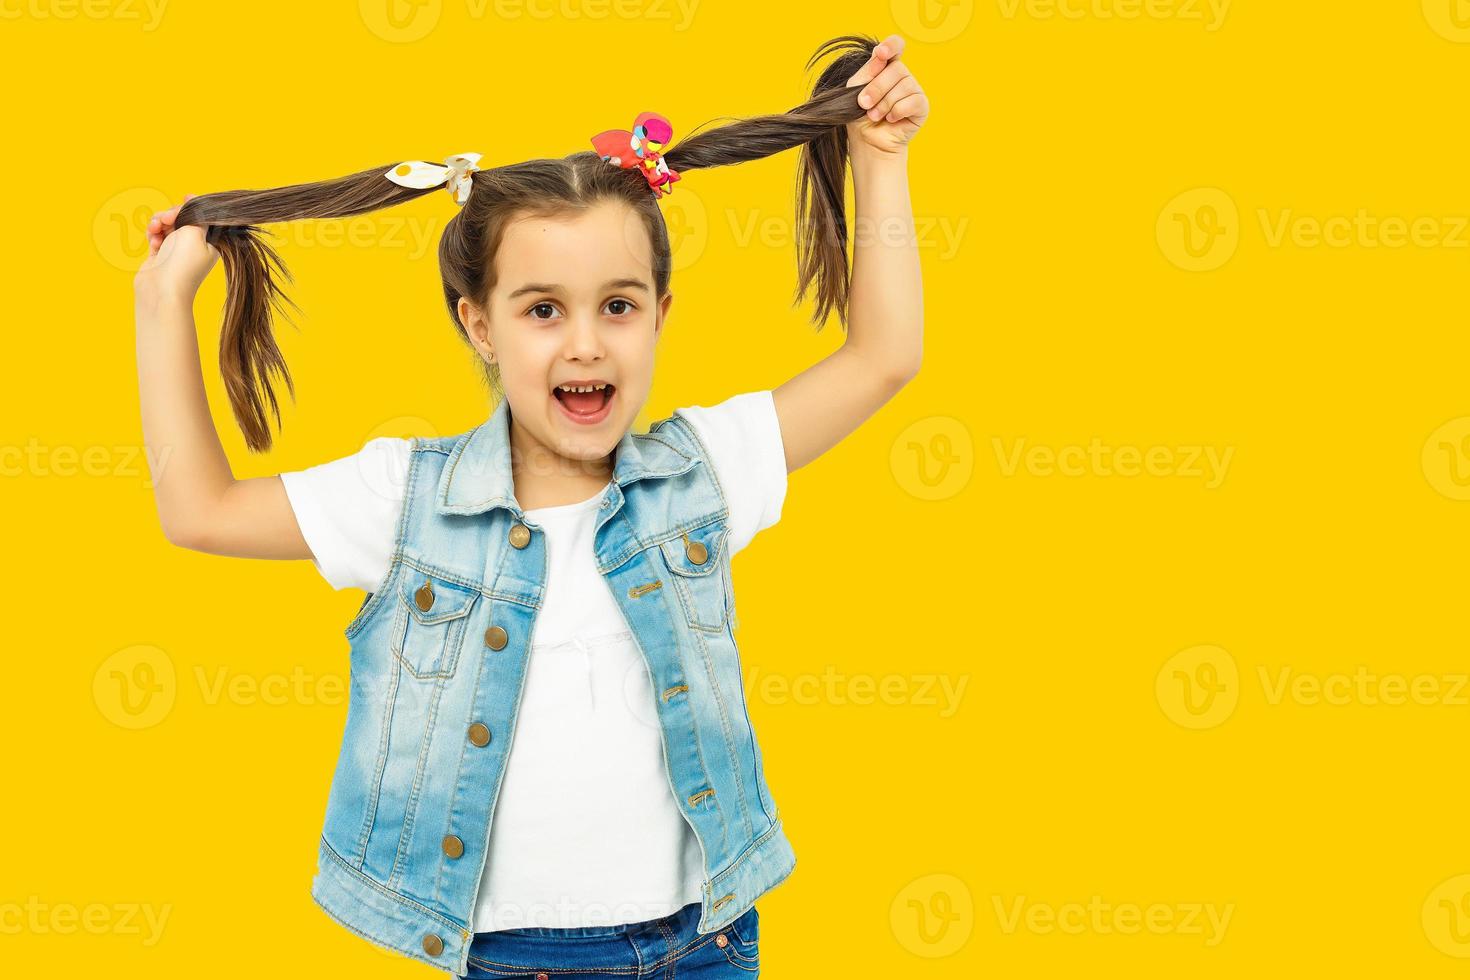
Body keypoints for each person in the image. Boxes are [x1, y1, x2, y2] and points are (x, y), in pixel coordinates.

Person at [132, 31, 928, 979]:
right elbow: (200, 509)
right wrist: (160, 305)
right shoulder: (406, 499)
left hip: (703, 943)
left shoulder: (700, 473)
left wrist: (879, 160)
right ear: (480, 324)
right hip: (512, 957)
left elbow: (883, 356)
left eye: (619, 306)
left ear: (662, 315)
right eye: (543, 309)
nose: (585, 345)